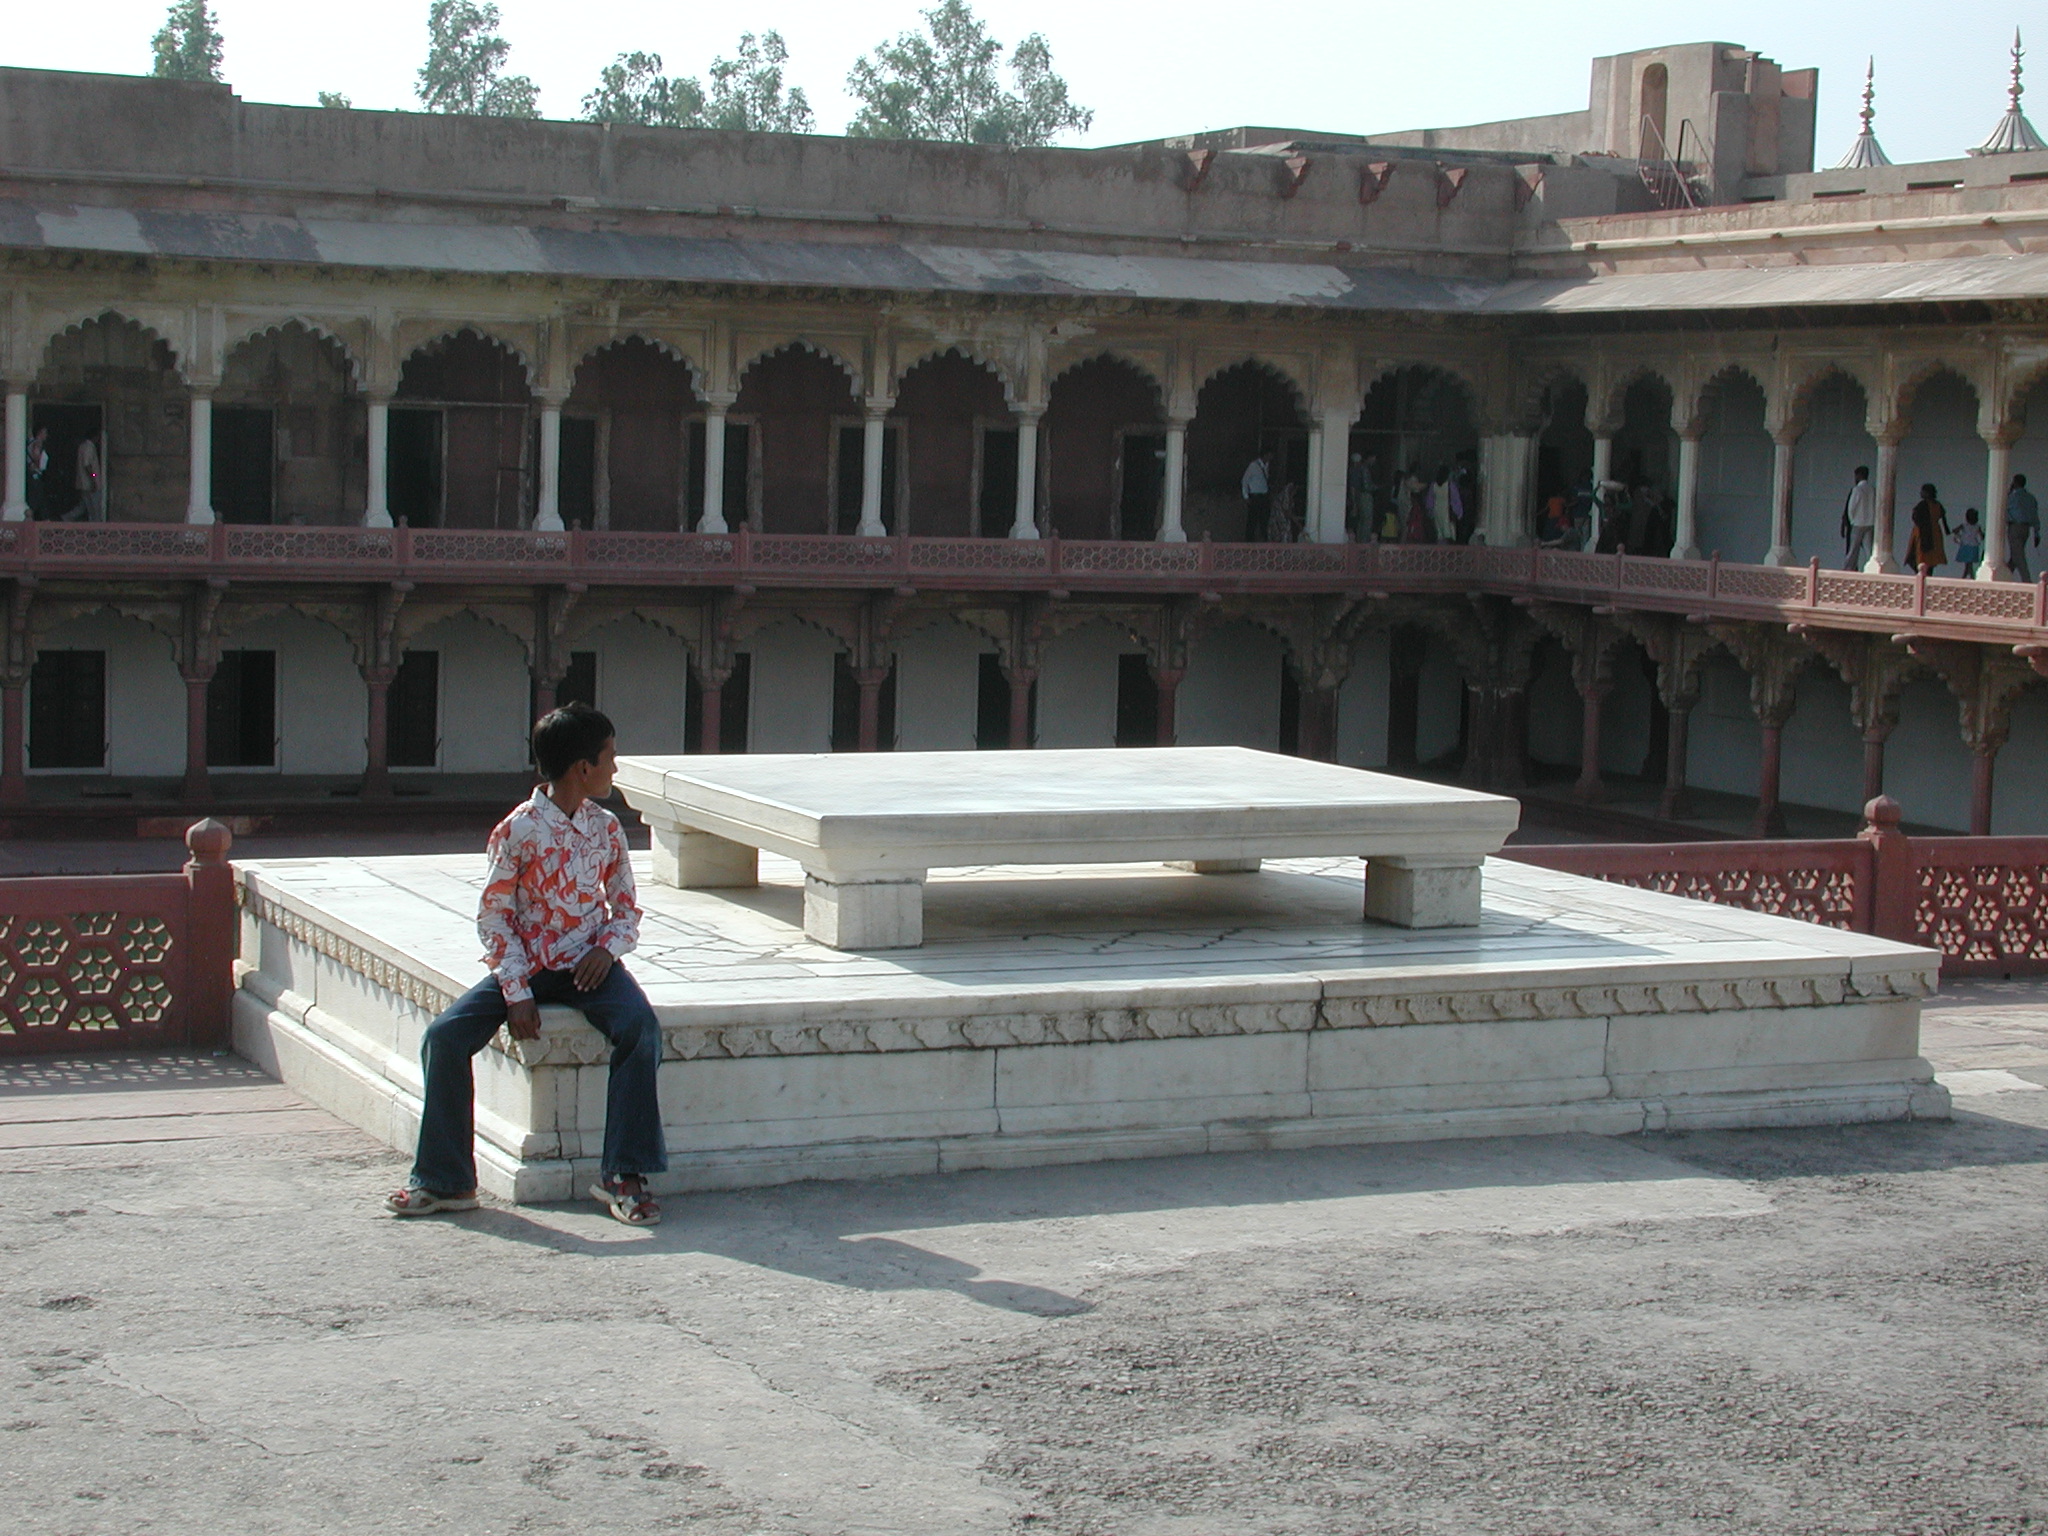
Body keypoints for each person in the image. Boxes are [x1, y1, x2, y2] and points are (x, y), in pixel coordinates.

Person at [385, 702, 667, 1225]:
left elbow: (626, 908)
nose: (615, 766)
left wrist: (606, 949)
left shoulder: (606, 829)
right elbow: (495, 916)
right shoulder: (518, 830)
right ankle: (446, 1181)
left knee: (640, 1029)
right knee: (444, 1038)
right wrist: (516, 991)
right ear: (583, 767)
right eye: (609, 756)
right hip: (528, 966)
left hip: (589, 967)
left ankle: (623, 1175)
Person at [1905, 483, 1949, 575]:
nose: (1921, 493)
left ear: (1927, 493)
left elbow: (1916, 517)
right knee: (1931, 558)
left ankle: (1922, 574)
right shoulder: (1937, 504)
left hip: (1923, 532)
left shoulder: (1923, 505)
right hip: (1935, 532)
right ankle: (1927, 574)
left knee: (1921, 555)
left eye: (1923, 491)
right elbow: (1943, 517)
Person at [1841, 465, 1876, 571]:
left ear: (1858, 475)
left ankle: (1848, 568)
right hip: (1869, 523)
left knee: (1853, 549)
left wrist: (1852, 521)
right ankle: (1872, 568)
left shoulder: (1857, 489)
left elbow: (1851, 507)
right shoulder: (1872, 489)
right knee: (1868, 549)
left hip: (1858, 523)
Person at [2008, 472, 2040, 582]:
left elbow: (2005, 510)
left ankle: (2027, 581)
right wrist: (2036, 533)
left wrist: (2009, 492)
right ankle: (2005, 576)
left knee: (2019, 557)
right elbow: (2035, 516)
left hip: (2015, 527)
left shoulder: (2012, 497)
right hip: (2026, 529)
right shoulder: (2031, 498)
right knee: (2015, 555)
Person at [1240, 451, 1272, 542]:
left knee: (1264, 520)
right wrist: (1246, 496)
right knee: (1252, 521)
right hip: (1255, 496)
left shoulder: (1267, 466)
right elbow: (1245, 481)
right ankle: (1249, 542)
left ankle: (1263, 540)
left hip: (1264, 496)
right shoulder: (1253, 466)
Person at [70, 435, 103, 523]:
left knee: (85, 507)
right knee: (95, 510)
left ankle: (65, 518)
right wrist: (94, 478)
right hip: (90, 484)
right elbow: (87, 465)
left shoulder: (82, 446)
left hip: (83, 483)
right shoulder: (89, 447)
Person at [1429, 464, 1460, 544]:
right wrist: (1458, 513)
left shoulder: (1433, 485)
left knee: (1439, 533)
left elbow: (1430, 501)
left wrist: (1430, 512)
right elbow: (1455, 500)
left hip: (1437, 511)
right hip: (1447, 511)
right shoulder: (1450, 485)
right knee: (1449, 534)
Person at [24, 426, 48, 519]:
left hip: (33, 474)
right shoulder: (37, 444)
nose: (46, 435)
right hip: (35, 474)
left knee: (37, 498)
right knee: (36, 498)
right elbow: (36, 456)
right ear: (39, 433)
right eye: (45, 432)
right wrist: (37, 465)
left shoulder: (30, 442)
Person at [1954, 507, 1984, 579]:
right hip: (1973, 546)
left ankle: (1968, 576)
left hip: (1966, 545)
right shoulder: (1977, 526)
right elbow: (1982, 536)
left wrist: (1957, 534)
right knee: (1969, 563)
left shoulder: (1964, 525)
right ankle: (1969, 576)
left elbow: (1955, 530)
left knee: (1968, 563)